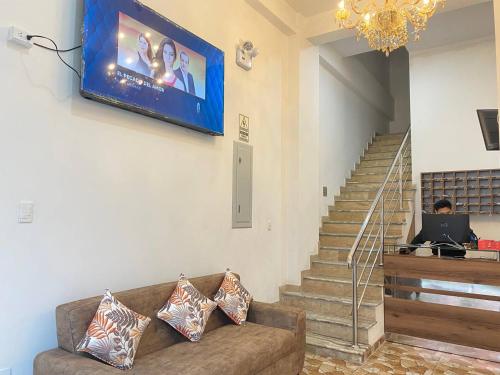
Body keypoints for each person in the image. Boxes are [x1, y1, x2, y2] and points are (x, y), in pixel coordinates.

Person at [402, 199, 477, 258]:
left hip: (458, 257)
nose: (445, 216)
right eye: (442, 214)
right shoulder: (431, 224)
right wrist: (409, 249)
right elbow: (420, 238)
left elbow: (472, 236)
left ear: (452, 211)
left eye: (448, 213)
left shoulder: (458, 222)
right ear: (436, 212)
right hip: (437, 257)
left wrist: (474, 243)